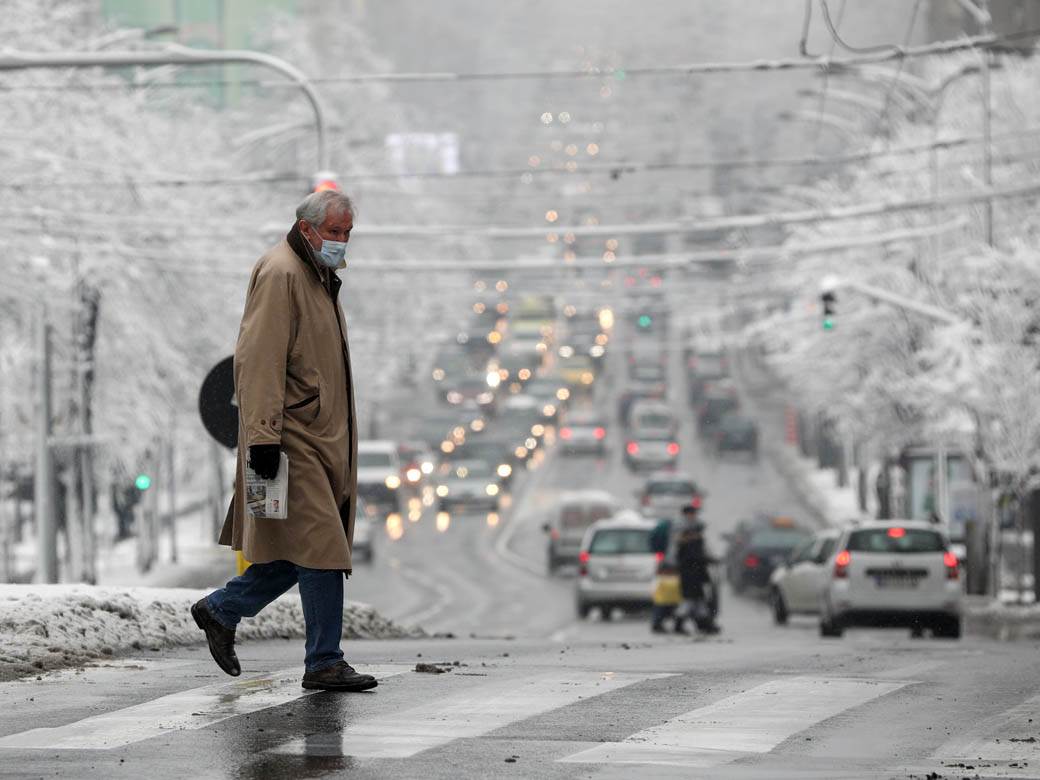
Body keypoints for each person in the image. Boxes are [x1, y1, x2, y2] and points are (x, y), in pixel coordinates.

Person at [190, 189, 376, 693]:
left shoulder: (315, 275)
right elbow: (258, 362)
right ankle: (324, 661)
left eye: (347, 233)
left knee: (305, 552)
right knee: (321, 549)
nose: (341, 242)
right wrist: (264, 438)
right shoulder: (282, 273)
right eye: (334, 232)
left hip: (318, 437)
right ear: (308, 227)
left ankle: (221, 609)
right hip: (292, 438)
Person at [674, 504, 721, 635]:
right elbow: (694, 558)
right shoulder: (688, 541)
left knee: (698, 601)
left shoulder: (690, 540)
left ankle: (706, 625)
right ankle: (681, 624)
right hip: (690, 576)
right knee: (690, 601)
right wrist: (709, 560)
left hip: (695, 575)